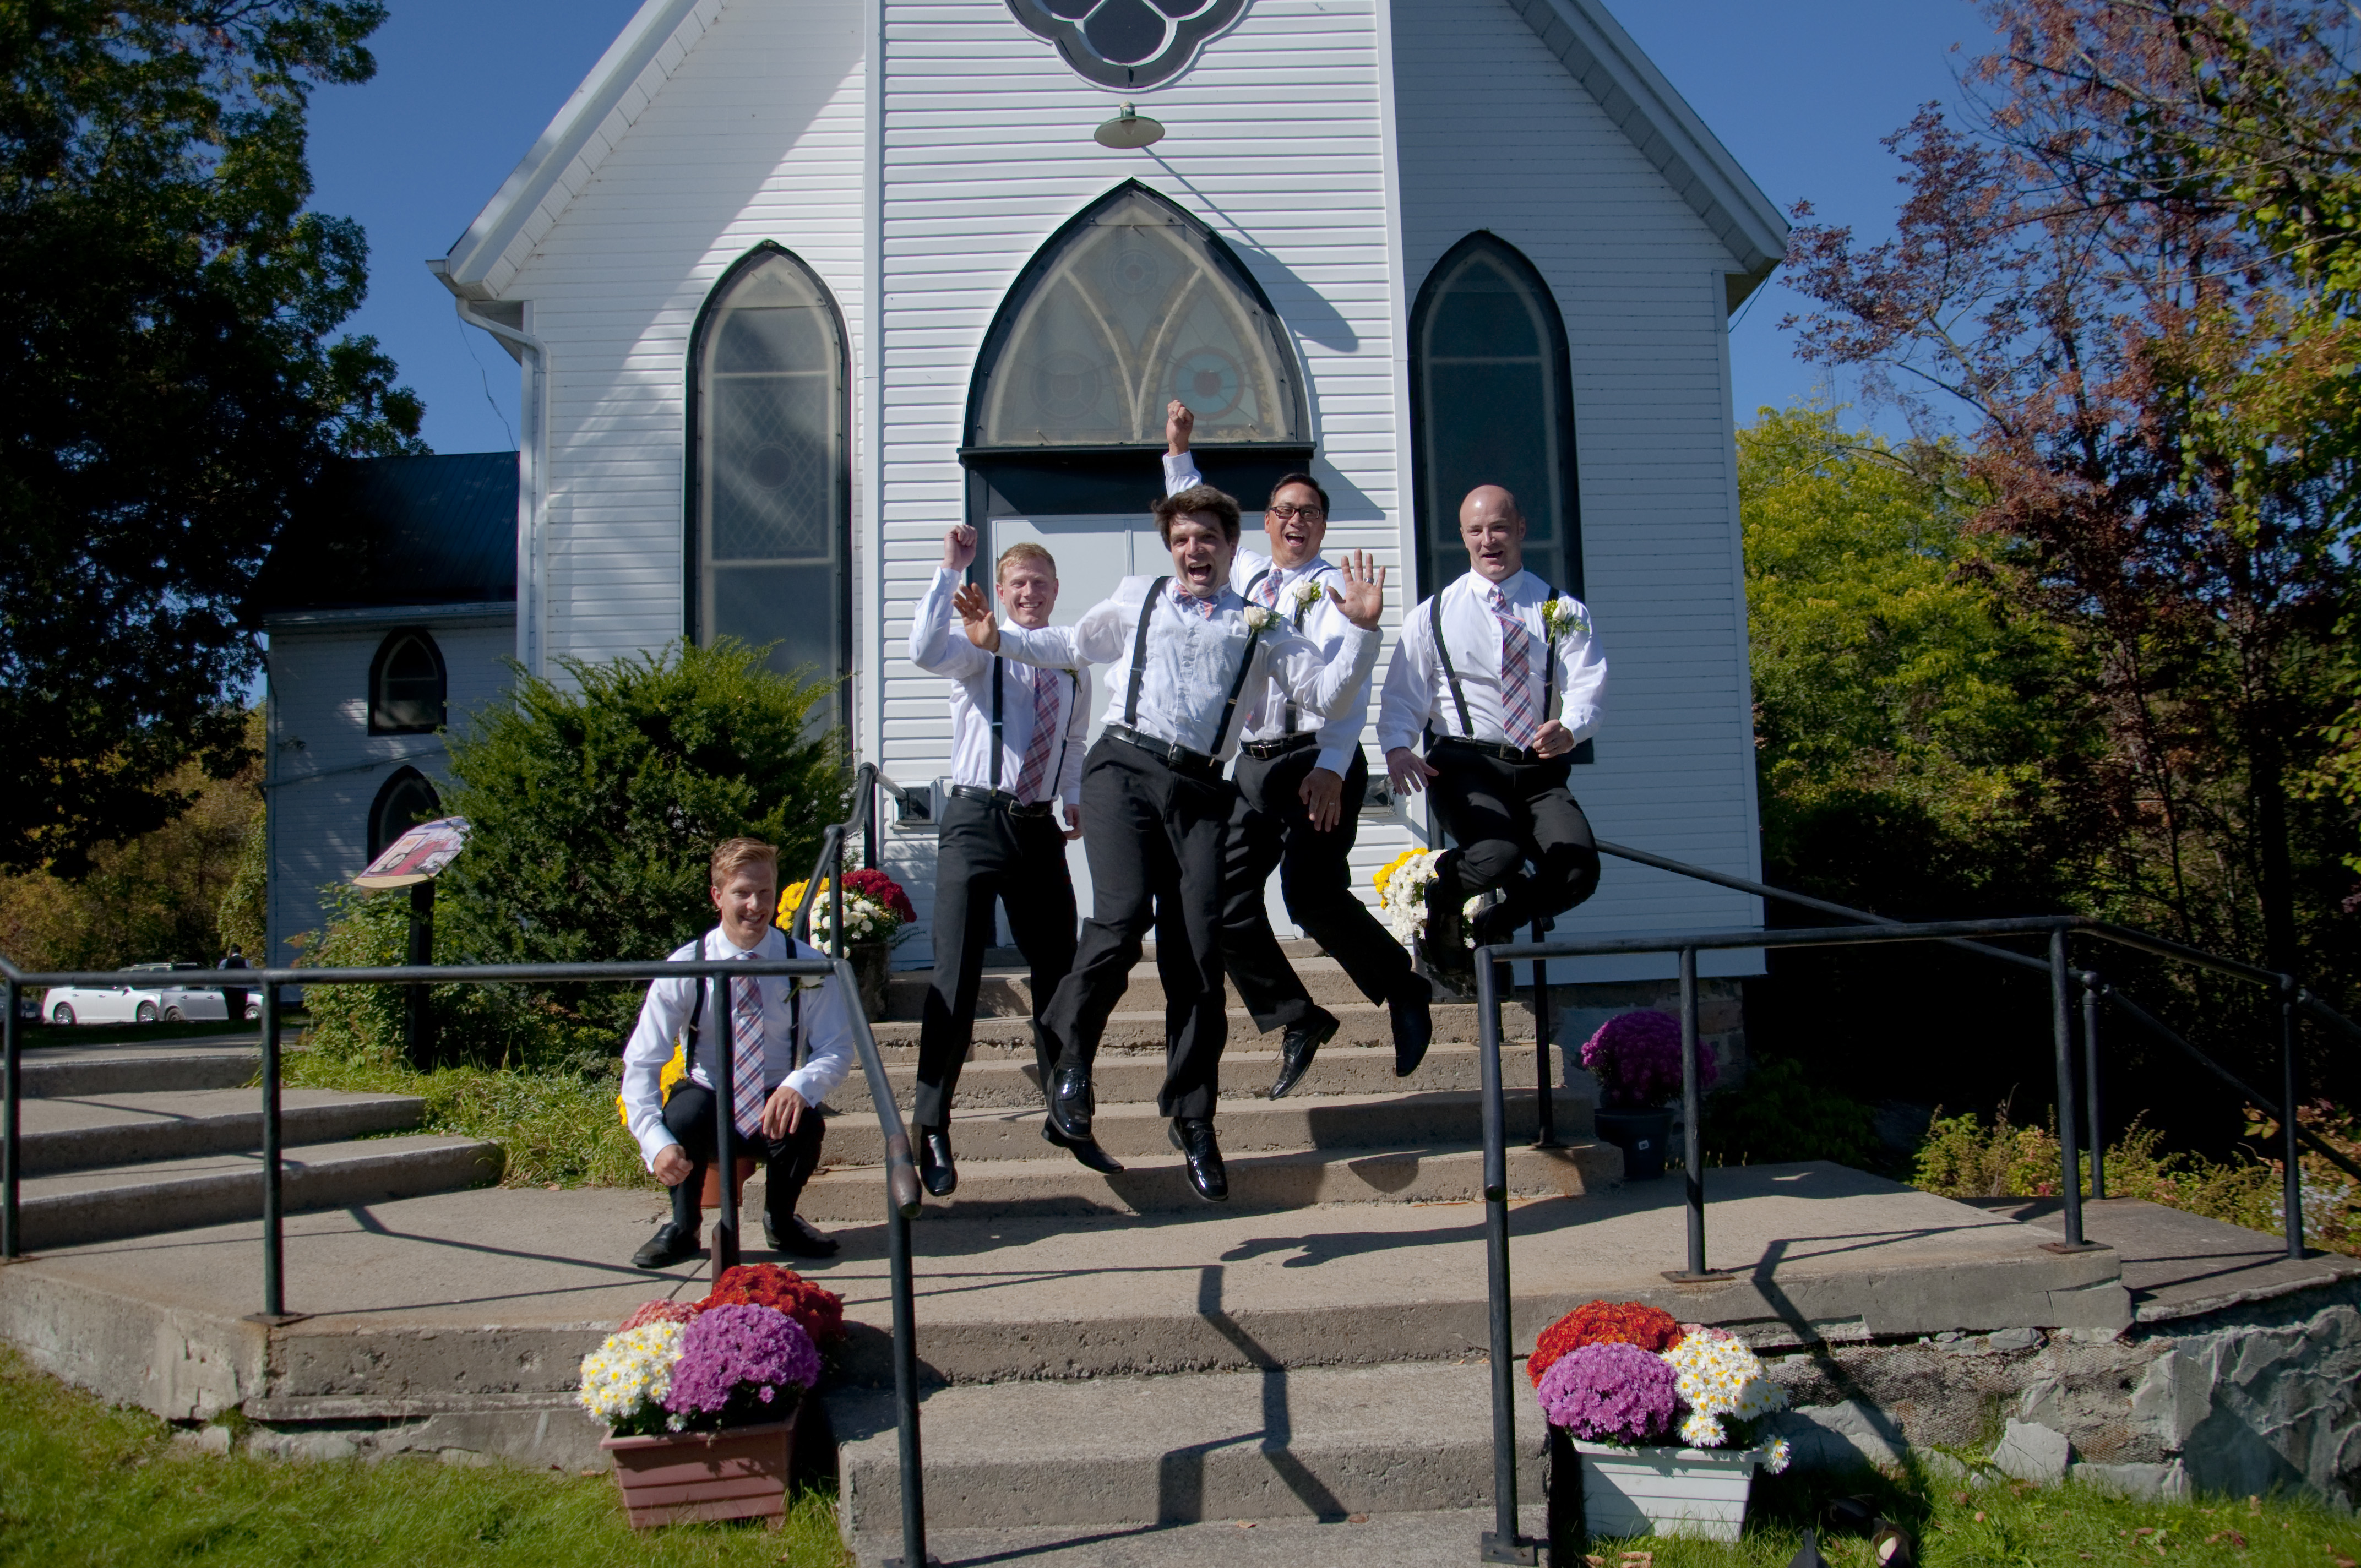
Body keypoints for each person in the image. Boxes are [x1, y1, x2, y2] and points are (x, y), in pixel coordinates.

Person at [951, 487, 1386, 1202]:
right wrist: (998, 639)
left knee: (1198, 955)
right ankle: (1070, 1066)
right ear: (1171, 548)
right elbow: (1071, 645)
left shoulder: (1261, 623)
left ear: (1229, 546)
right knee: (1121, 920)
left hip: (1204, 791)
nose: (1194, 550)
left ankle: (1193, 1118)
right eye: (1182, 539)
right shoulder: (1137, 597)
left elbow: (1325, 696)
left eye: (1207, 538)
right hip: (1123, 769)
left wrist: (1363, 632)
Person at [1161, 402, 1433, 1091]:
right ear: (1265, 522)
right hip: (1254, 766)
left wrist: (1335, 767)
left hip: (1317, 758)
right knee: (1219, 899)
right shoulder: (1244, 572)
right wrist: (1178, 449)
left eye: (1308, 512)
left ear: (1322, 525)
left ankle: (1402, 987)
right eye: (1284, 510)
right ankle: (1296, 1015)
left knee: (1310, 895)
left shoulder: (1339, 589)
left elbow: (1345, 691)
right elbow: (1193, 514)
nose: (1295, 521)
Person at [905, 528, 1091, 1196]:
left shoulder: (1070, 659)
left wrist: (1073, 795)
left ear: (1056, 590)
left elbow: (1074, 738)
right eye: (1018, 583)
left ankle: (1066, 1111)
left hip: (1038, 830)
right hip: (976, 822)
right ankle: (931, 1126)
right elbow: (923, 650)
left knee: (1060, 975)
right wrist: (948, 569)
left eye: (1039, 582)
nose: (1029, 592)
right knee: (955, 978)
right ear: (1004, 593)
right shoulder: (979, 647)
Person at [1375, 484, 1607, 992]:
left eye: (1499, 528)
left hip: (1537, 768)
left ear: (1520, 529)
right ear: (1463, 537)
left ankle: (1497, 923)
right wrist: (1398, 747)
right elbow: (1402, 697)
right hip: (1465, 765)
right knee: (1498, 855)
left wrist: (1571, 726)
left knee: (1577, 872)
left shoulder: (1560, 609)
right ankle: (1443, 903)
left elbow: (1588, 682)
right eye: (1476, 531)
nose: (1489, 541)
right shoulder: (1434, 614)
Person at [621, 836, 852, 1268]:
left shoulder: (804, 964)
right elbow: (642, 1061)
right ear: (717, 896)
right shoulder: (686, 967)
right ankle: (684, 1226)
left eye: (765, 892)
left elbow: (836, 1047)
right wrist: (655, 1143)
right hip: (709, 1102)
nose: (756, 905)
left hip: (771, 1099)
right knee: (682, 1116)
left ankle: (781, 1220)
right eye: (742, 892)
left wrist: (800, 1085)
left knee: (806, 1122)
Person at [216, 948, 250, 1023]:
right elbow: (250, 975)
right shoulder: (246, 961)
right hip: (242, 990)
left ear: (231, 953)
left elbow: (220, 976)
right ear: (241, 952)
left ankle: (232, 1024)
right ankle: (241, 1024)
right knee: (241, 1011)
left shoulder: (225, 962)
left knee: (231, 1010)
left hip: (230, 990)